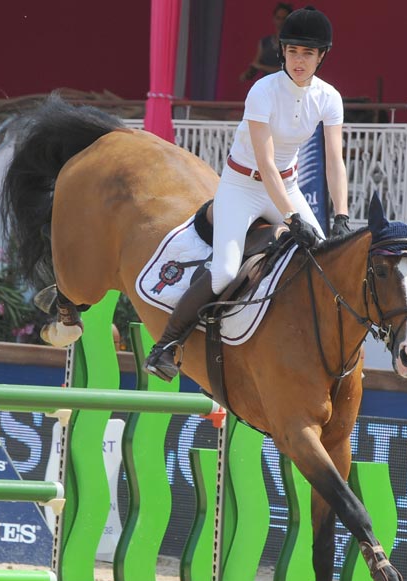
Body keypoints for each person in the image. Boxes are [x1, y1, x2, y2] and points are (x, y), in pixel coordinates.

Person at [143, 5, 351, 382]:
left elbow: (335, 161)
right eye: (292, 51)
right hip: (241, 186)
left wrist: (341, 216)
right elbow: (266, 163)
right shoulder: (263, 90)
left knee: (325, 267)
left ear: (322, 56)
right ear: (282, 52)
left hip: (285, 186)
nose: (299, 60)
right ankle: (167, 344)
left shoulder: (329, 97)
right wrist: (291, 218)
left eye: (307, 53)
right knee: (224, 272)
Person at [239, 3, 294, 82]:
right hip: (267, 88)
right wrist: (247, 74)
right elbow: (255, 66)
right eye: (278, 18)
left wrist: (261, 67)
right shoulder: (264, 42)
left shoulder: (294, 44)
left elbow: (286, 70)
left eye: (284, 18)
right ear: (274, 19)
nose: (281, 22)